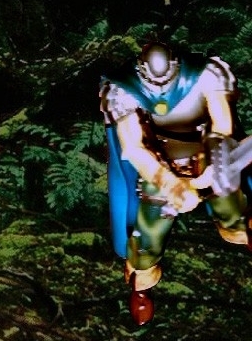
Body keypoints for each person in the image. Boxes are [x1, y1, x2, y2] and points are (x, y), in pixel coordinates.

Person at [100, 42, 250, 325]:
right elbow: (133, 148)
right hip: (160, 164)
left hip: (206, 153)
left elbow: (222, 126)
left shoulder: (206, 73)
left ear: (176, 67)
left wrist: (211, 171)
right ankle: (142, 283)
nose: (160, 88)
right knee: (149, 229)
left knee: (230, 195)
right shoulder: (123, 89)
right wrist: (171, 184)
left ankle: (238, 228)